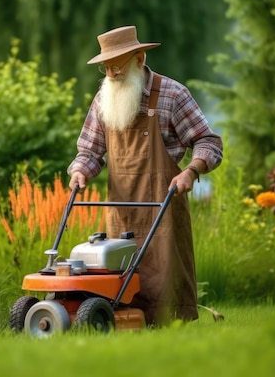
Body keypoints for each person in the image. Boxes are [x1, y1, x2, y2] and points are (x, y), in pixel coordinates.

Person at [67, 25, 223, 326]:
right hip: (121, 211)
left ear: (139, 59)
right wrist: (79, 171)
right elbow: (89, 151)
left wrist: (191, 171)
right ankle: (117, 323)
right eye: (106, 67)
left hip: (163, 204)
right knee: (118, 271)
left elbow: (209, 141)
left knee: (163, 277)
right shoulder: (104, 100)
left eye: (117, 66)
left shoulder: (172, 95)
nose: (110, 74)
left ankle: (169, 327)